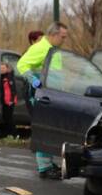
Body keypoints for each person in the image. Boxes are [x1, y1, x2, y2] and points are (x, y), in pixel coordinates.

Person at [16, 21, 69, 178]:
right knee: (44, 129)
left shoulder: (52, 49)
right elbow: (22, 64)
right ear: (53, 34)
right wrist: (33, 79)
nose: (64, 40)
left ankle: (48, 162)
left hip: (52, 95)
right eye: (62, 37)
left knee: (50, 129)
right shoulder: (41, 48)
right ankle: (44, 168)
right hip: (43, 96)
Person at [0, 61, 18, 137]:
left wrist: (12, 100)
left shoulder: (9, 77)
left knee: (9, 118)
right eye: (1, 68)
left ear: (7, 68)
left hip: (9, 101)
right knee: (5, 117)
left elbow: (13, 90)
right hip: (4, 101)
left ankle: (14, 134)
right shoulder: (2, 76)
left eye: (3, 68)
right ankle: (8, 133)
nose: (2, 69)